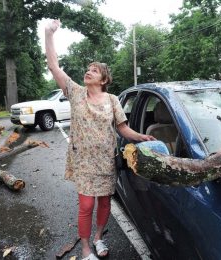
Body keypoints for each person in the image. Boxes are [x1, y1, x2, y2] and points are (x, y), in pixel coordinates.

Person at [45, 19, 155, 260]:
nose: (88, 71)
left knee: (104, 204)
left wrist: (141, 137)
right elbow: (53, 66)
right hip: (83, 162)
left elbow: (123, 129)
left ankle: (98, 238)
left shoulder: (113, 100)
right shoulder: (75, 92)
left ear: (103, 80)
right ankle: (85, 249)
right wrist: (49, 33)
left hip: (106, 161)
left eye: (94, 70)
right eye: (88, 68)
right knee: (86, 206)